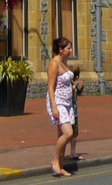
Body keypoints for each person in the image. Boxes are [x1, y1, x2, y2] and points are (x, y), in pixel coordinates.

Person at [46, 36, 75, 177]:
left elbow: (67, 81)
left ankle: (61, 166)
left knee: (62, 135)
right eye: (69, 48)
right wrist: (54, 107)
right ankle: (55, 160)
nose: (71, 50)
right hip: (58, 102)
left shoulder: (64, 62)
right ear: (61, 49)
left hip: (68, 103)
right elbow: (51, 87)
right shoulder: (54, 64)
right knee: (68, 133)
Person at [67, 64, 85, 161]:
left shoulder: (73, 84)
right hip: (68, 112)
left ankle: (73, 152)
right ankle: (63, 153)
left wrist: (81, 87)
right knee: (67, 133)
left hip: (74, 112)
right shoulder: (67, 84)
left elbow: (78, 93)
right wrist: (73, 88)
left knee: (74, 133)